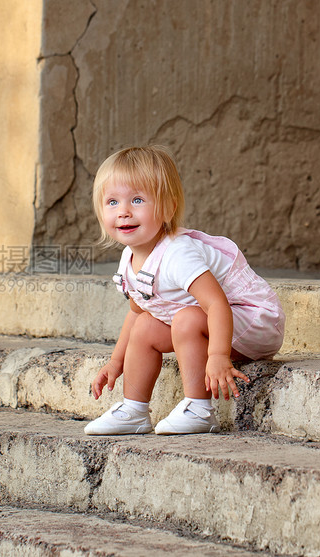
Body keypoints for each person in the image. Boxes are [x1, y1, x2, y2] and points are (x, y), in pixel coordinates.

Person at [84, 145, 284, 435]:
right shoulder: (130, 257)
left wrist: (217, 356)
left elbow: (216, 305)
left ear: (168, 208)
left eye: (137, 200)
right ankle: (134, 409)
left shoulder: (179, 254)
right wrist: (116, 362)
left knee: (187, 318)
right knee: (144, 325)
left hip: (253, 321)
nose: (124, 211)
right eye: (112, 202)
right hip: (211, 322)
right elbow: (136, 312)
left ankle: (200, 409)